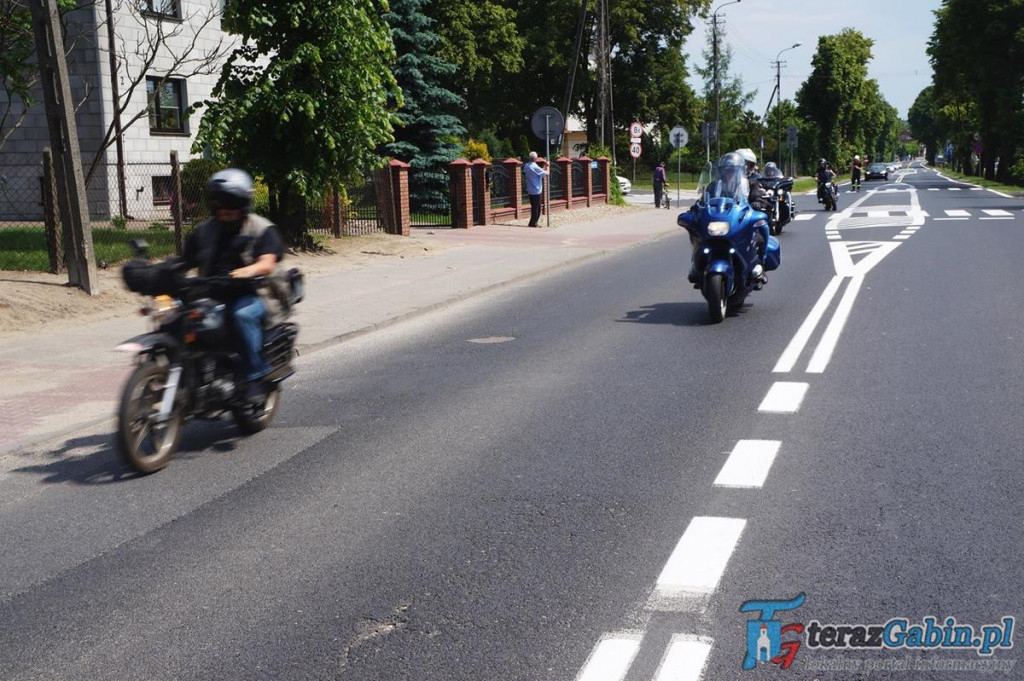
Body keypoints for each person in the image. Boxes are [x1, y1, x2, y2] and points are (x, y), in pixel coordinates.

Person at [182, 168, 284, 403]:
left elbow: (267, 263)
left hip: (255, 293)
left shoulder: (261, 228)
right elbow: (184, 262)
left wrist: (246, 271)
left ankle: (255, 375)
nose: (224, 209)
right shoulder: (204, 231)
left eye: (231, 203)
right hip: (212, 292)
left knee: (240, 314)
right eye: (219, 203)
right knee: (175, 312)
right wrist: (159, 272)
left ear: (243, 203)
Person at [735, 148, 770, 212]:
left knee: (760, 220)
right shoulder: (723, 181)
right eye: (741, 163)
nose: (745, 167)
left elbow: (759, 194)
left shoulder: (753, 181)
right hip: (728, 211)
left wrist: (758, 202)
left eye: (748, 164)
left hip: (746, 212)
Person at [524, 152, 548, 227]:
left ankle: (532, 222)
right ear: (535, 158)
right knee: (537, 207)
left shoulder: (526, 166)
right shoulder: (534, 166)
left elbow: (539, 171)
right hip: (536, 189)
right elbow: (547, 173)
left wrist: (544, 166)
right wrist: (548, 166)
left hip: (530, 189)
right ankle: (534, 223)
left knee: (534, 206)